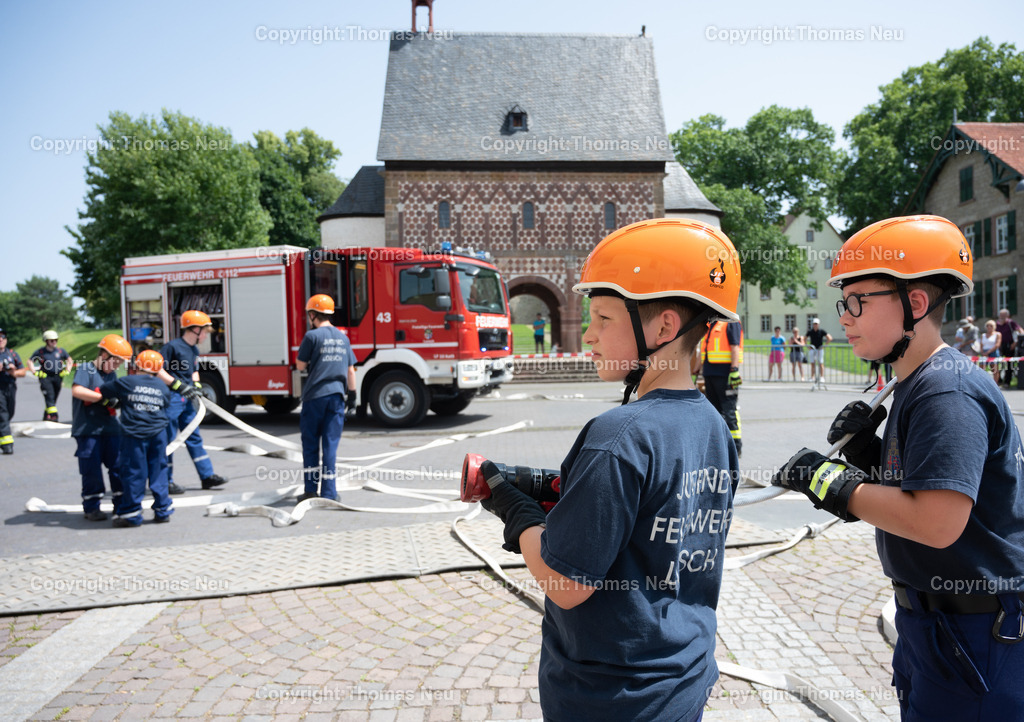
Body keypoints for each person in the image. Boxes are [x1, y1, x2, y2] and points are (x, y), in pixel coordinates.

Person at [479, 219, 741, 721]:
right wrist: (562, 489)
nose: (590, 335)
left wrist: (517, 514)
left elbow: (566, 585)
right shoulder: (711, 425)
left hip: (610, 697)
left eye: (603, 317)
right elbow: (653, 518)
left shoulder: (618, 435)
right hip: (680, 679)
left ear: (663, 327)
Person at [771, 215, 1024, 720]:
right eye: (845, 301)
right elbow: (927, 494)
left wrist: (834, 482)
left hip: (974, 631)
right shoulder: (919, 382)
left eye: (857, 301)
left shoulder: (945, 391)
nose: (844, 315)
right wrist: (871, 459)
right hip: (936, 626)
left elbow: (936, 521)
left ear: (915, 303)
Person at [98, 349, 174, 526]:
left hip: (135, 435)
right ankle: (163, 511)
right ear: (157, 370)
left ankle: (131, 514)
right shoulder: (162, 386)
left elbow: (104, 391)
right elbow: (166, 403)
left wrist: (117, 401)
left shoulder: (126, 381)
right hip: (158, 433)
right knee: (159, 471)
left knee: (134, 472)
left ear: (137, 366)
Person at [157, 310, 227, 494]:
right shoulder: (172, 347)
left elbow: (193, 370)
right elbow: (158, 370)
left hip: (187, 400)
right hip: (172, 399)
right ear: (194, 329)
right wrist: (178, 385)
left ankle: (207, 476)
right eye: (204, 331)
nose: (206, 335)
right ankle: (166, 481)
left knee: (193, 436)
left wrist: (196, 384)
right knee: (169, 439)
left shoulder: (193, 349)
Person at [295, 294, 357, 502]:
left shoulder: (311, 337)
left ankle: (310, 491)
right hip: (337, 398)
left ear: (313, 314)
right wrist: (353, 396)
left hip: (315, 398)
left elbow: (300, 365)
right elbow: (350, 371)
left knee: (311, 444)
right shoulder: (343, 338)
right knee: (330, 445)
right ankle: (330, 493)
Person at [70, 335, 132, 521]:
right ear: (104, 355)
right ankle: (91, 507)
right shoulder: (86, 369)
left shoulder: (111, 375)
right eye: (116, 361)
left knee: (118, 467)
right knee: (91, 471)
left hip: (111, 429)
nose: (117, 366)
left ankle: (120, 505)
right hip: (88, 430)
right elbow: (77, 390)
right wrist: (102, 398)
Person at [701, 318, 744, 456]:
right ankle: (718, 446)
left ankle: (736, 447)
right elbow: (706, 350)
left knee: (729, 411)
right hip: (710, 373)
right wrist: (697, 371)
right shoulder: (711, 324)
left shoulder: (730, 322)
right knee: (714, 412)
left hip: (726, 375)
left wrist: (735, 369)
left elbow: (735, 346)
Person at [29, 329, 72, 422]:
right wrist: (34, 372)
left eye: (56, 340)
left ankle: (46, 415)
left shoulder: (60, 351)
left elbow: (69, 360)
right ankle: (54, 416)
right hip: (45, 377)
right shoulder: (40, 352)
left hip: (58, 377)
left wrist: (67, 370)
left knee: (54, 397)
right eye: (52, 340)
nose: (54, 342)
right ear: (46, 341)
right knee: (49, 395)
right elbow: (30, 361)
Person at [0, 328, 27, 455]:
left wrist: (12, 371)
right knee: (3, 414)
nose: (1, 339)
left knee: (9, 412)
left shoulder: (12, 354)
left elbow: (22, 372)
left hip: (10, 387)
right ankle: (7, 445)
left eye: (3, 337)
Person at [995, 308, 1021, 386]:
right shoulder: (997, 324)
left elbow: (1020, 331)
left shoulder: (1011, 323)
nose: (1002, 316)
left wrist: (1015, 342)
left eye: (1003, 315)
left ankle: (1007, 381)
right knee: (998, 363)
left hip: (1009, 345)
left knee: (1009, 363)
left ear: (1007, 315)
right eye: (1001, 315)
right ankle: (999, 380)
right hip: (1000, 345)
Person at [805, 317, 832, 382]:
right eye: (814, 324)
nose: (815, 325)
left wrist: (824, 346)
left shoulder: (821, 331)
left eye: (816, 324)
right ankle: (812, 377)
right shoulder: (810, 331)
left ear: (818, 324)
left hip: (819, 349)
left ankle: (822, 377)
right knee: (812, 363)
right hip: (812, 349)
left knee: (820, 363)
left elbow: (830, 338)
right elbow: (804, 338)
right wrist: (807, 346)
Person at [979, 319, 1002, 385]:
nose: (989, 327)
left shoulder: (997, 334)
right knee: (982, 369)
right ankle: (982, 384)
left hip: (993, 352)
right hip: (984, 352)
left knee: (994, 370)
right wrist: (982, 352)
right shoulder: (983, 335)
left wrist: (988, 352)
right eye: (987, 326)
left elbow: (997, 344)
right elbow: (981, 345)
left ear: (994, 326)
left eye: (991, 326)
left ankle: (995, 384)